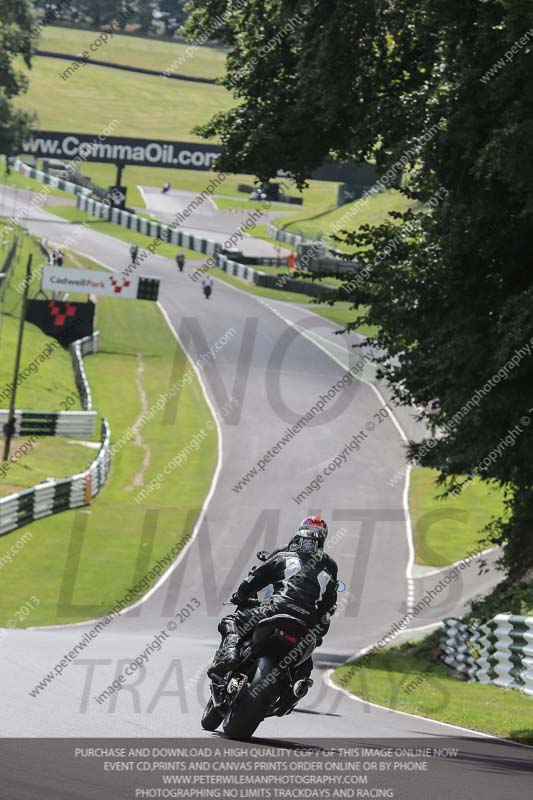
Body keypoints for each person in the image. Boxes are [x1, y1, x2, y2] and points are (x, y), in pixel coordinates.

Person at [208, 516, 338, 681]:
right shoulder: (328, 569)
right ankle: (296, 686)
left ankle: (229, 655)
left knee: (231, 621)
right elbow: (328, 606)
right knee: (307, 660)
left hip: (276, 609)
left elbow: (253, 579)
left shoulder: (284, 557)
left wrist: (240, 597)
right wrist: (318, 625)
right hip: (307, 622)